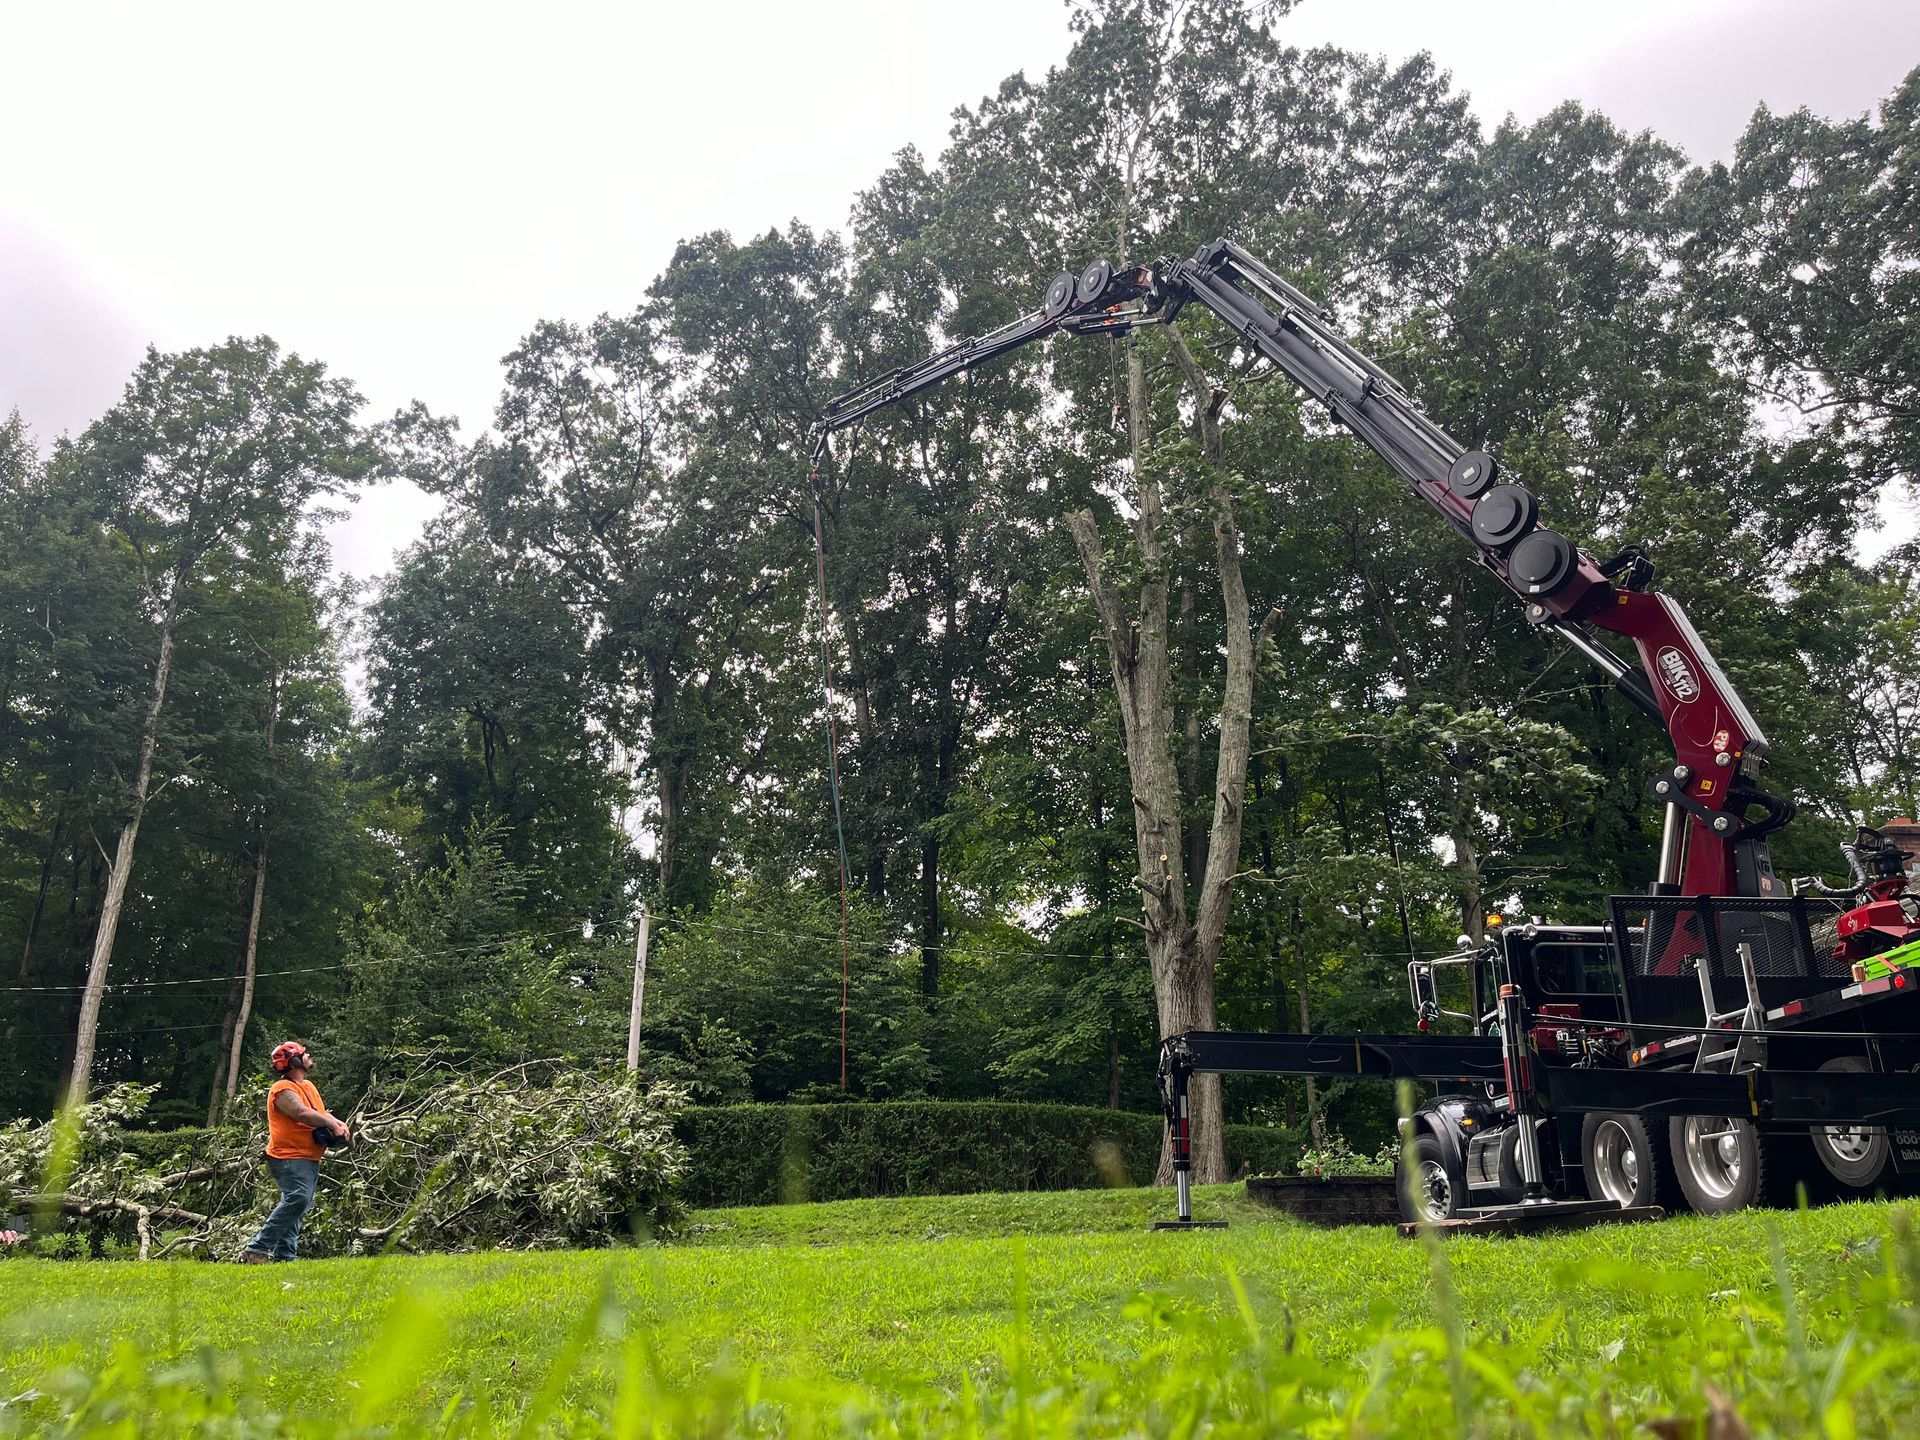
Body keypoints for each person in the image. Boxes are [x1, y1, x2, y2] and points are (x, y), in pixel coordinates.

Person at [240, 1041, 349, 1263]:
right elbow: (301, 1113)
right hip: (288, 1156)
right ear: (294, 1061)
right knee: (298, 1199)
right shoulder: (282, 1090)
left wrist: (339, 1123)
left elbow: (318, 1112)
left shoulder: (308, 1086)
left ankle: (285, 1257)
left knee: (297, 1205)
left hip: (307, 1156)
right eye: (304, 1053)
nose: (308, 1055)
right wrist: (332, 1124)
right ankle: (257, 1248)